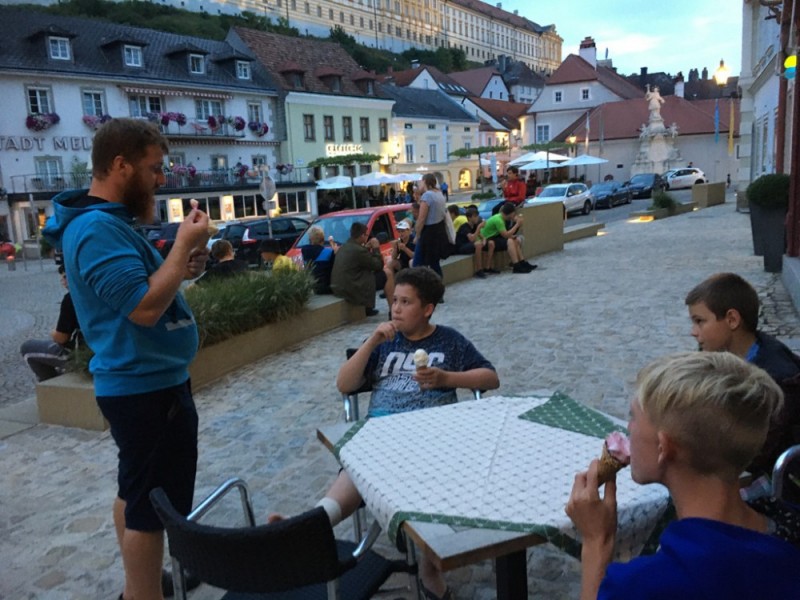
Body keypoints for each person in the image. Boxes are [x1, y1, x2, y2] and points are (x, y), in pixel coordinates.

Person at [42, 118, 210, 600]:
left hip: (146, 384)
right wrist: (182, 246)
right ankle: (142, 594)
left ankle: (141, 583)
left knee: (134, 492)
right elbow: (143, 307)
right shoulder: (97, 228)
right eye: (154, 168)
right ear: (120, 165)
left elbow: (145, 288)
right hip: (145, 389)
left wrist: (182, 264)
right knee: (150, 509)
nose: (162, 178)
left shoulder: (107, 223)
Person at [308, 267, 499, 600]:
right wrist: (372, 341)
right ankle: (309, 527)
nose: (395, 308)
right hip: (382, 430)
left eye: (406, 302)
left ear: (428, 309)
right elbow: (344, 384)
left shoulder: (450, 341)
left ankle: (429, 565)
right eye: (394, 300)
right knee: (357, 462)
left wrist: (447, 379)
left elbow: (490, 377)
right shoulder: (384, 343)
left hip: (435, 434)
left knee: (437, 474)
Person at [565, 351, 799, 600]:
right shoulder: (787, 523)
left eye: (633, 417)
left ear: (663, 447)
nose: (628, 428)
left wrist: (596, 541)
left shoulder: (647, 584)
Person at [685, 273, 800, 478]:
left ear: (732, 319)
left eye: (700, 321)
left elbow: (755, 454)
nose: (693, 332)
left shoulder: (778, 379)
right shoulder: (721, 354)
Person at [20, 265, 81, 381]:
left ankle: (50, 385)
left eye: (65, 277)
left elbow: (61, 338)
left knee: (27, 348)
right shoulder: (98, 290)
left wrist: (53, 332)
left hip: (80, 354)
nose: (62, 282)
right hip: (104, 350)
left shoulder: (71, 298)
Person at [330, 221, 393, 317]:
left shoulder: (344, 246)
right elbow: (378, 266)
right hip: (351, 289)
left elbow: (359, 261)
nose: (367, 237)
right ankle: (392, 311)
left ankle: (367, 308)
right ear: (362, 235)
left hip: (339, 287)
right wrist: (376, 248)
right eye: (366, 235)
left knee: (365, 272)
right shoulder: (358, 250)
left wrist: (365, 248)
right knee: (388, 273)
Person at [481, 202, 535, 274]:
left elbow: (505, 234)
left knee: (515, 240)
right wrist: (517, 224)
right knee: (510, 241)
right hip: (485, 240)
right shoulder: (498, 220)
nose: (514, 215)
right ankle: (516, 265)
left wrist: (515, 226)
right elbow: (506, 235)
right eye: (514, 213)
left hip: (492, 238)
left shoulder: (501, 218)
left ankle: (522, 262)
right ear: (511, 213)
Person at [413, 174, 449, 276]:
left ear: (425, 181)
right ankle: (438, 282)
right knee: (434, 263)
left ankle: (423, 284)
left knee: (417, 265)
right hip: (438, 231)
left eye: (420, 182)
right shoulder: (439, 194)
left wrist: (417, 235)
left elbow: (422, 218)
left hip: (428, 233)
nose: (419, 184)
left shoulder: (427, 195)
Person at [454, 206, 490, 279]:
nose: (477, 218)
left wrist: (484, 241)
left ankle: (487, 267)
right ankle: (479, 270)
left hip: (468, 245)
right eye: (475, 216)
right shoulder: (464, 227)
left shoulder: (474, 226)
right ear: (469, 218)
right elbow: (472, 239)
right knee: (478, 244)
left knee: (489, 243)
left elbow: (482, 237)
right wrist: (479, 227)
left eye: (477, 216)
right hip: (461, 247)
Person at [300, 226, 335, 294]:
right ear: (322, 239)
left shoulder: (304, 251)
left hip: (312, 288)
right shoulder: (329, 252)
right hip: (326, 288)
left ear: (309, 239)